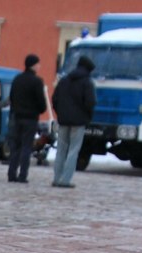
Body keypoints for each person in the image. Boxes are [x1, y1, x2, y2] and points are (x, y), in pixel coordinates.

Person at [50, 55, 96, 188]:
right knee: (73, 151)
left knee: (61, 150)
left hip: (63, 121)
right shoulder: (87, 82)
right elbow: (90, 102)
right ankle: (66, 180)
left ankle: (56, 178)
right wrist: (87, 117)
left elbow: (55, 99)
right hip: (79, 122)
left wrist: (60, 113)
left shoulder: (64, 80)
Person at [4, 53, 47, 184]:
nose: (39, 66)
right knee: (26, 147)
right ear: (33, 65)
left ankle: (11, 173)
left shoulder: (17, 79)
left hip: (16, 116)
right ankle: (23, 175)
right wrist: (39, 110)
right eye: (38, 63)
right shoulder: (37, 81)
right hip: (30, 119)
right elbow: (42, 103)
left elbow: (11, 97)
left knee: (15, 146)